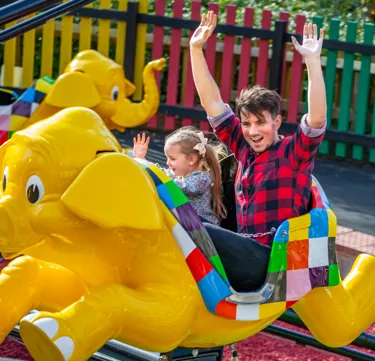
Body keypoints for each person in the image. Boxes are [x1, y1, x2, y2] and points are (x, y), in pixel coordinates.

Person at [189, 11, 327, 292]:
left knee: (189, 225)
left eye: (261, 123)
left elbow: (316, 120)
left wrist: (312, 62)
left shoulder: (293, 153)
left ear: (276, 122)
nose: (253, 131)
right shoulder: (244, 147)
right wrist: (195, 49)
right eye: (247, 123)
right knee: (182, 219)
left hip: (271, 264)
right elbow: (211, 100)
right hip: (244, 252)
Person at [132, 128, 226, 226]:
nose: (167, 163)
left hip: (204, 231)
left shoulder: (202, 178)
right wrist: (142, 161)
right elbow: (164, 174)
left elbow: (176, 186)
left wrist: (150, 167)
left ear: (192, 159)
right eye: (167, 158)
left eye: (172, 158)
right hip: (190, 226)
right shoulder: (183, 177)